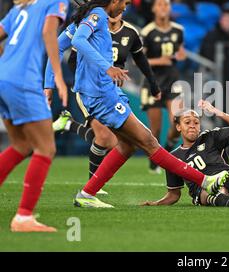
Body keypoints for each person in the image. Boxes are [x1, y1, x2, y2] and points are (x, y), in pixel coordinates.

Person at [66, 0, 228, 208]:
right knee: (150, 142)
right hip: (101, 94)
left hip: (106, 92)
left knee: (127, 145)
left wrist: (48, 82)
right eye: (126, 3)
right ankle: (205, 181)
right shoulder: (99, 15)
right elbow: (80, 41)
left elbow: (64, 41)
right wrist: (108, 67)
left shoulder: (97, 16)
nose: (125, 7)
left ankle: (87, 193)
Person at [45, 12, 162, 192]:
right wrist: (98, 75)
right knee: (106, 138)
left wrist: (153, 84)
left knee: (113, 141)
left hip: (112, 91)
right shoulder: (92, 28)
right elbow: (72, 60)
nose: (118, 11)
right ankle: (92, 187)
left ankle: (69, 124)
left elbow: (140, 59)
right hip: (90, 91)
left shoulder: (130, 32)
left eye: (125, 7)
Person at [0, 0, 68, 232]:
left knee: (20, 146)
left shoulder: (21, 6)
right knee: (46, 147)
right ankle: (24, 217)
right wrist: (58, 78)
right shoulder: (57, 1)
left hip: (3, 77)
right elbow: (49, 33)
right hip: (24, 81)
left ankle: (24, 216)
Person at [140, 0, 186, 174]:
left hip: (173, 80)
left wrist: (181, 56)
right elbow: (140, 60)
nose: (163, 7)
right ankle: (155, 160)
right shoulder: (147, 32)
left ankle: (166, 151)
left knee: (177, 123)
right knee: (156, 129)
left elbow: (180, 52)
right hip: (153, 81)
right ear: (154, 9)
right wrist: (160, 60)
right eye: (159, 4)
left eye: (166, 4)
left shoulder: (178, 30)